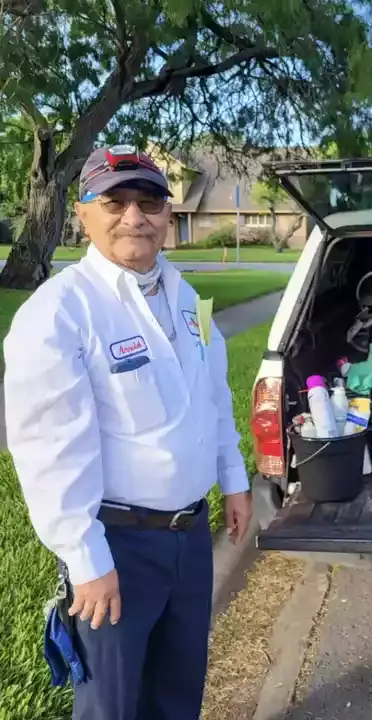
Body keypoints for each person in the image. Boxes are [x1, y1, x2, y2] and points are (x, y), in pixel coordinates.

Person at [4, 145, 253, 720]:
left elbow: (211, 398)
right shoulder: (59, 312)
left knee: (179, 688)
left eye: (149, 202)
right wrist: (84, 557)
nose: (134, 217)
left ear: (168, 214)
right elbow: (47, 450)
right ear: (83, 213)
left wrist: (232, 480)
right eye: (114, 202)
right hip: (117, 546)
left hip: (190, 537)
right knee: (112, 704)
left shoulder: (188, 298)